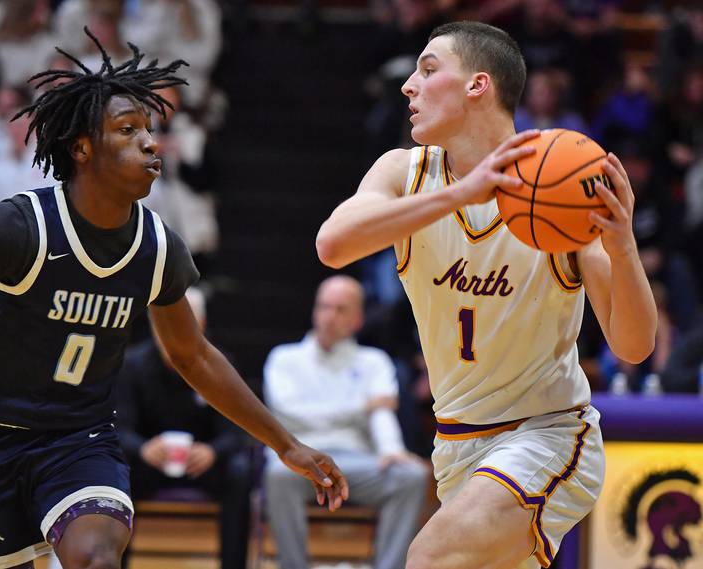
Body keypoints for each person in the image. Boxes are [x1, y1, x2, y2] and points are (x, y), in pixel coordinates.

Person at [0, 28, 348, 569]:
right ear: (83, 148)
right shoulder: (22, 225)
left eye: (150, 129)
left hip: (79, 439)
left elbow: (195, 356)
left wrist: (286, 444)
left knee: (96, 557)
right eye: (127, 129)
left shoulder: (156, 245)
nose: (149, 142)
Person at [317, 21, 656, 569]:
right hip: (455, 446)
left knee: (429, 558)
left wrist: (622, 248)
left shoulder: (561, 188)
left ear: (478, 85)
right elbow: (332, 246)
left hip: (545, 435)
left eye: (428, 70)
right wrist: (461, 194)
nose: (409, 86)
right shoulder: (403, 173)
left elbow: (634, 346)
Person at [263, 275, 429, 569]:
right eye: (324, 307)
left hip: (358, 461)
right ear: (314, 311)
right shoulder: (284, 359)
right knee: (277, 475)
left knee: (412, 476)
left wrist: (391, 448)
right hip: (301, 460)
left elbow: (382, 414)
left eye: (340, 309)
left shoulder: (374, 361)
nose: (329, 316)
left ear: (358, 319)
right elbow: (290, 414)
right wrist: (362, 406)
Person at [117, 287, 252, 569]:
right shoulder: (131, 364)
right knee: (118, 471)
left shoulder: (220, 365)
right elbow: (117, 429)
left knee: (239, 472)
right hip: (148, 465)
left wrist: (212, 452)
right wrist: (142, 448)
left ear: (199, 326)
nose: (167, 331)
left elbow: (237, 431)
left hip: (200, 466)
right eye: (161, 323)